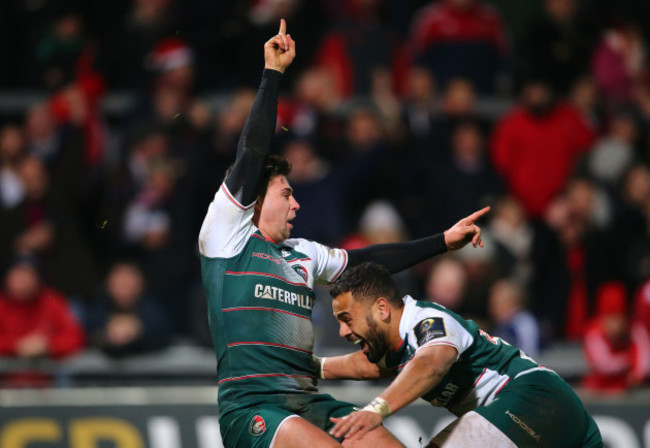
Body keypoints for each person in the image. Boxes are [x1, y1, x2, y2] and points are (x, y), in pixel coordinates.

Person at [198, 20, 490, 448]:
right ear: (254, 200)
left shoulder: (301, 254)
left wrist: (442, 241)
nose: (296, 204)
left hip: (306, 399)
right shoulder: (226, 236)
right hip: (254, 407)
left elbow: (368, 259)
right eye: (286, 194)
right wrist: (272, 74)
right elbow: (253, 151)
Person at [324, 262, 602, 448]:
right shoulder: (399, 344)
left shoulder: (426, 321)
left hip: (532, 399)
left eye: (347, 319)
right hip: (542, 413)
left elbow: (432, 363)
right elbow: (365, 367)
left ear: (381, 309)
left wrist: (376, 409)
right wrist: (307, 365)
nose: (342, 332)